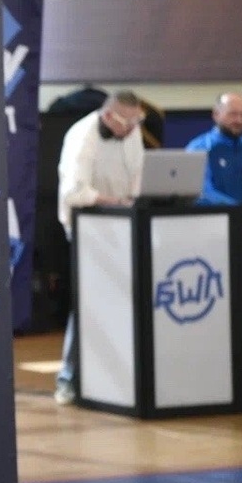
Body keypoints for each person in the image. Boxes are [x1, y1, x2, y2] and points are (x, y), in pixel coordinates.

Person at [54, 90, 146, 405]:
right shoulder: (82, 136)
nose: (133, 129)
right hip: (86, 228)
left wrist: (134, 203)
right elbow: (74, 193)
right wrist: (115, 201)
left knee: (125, 299)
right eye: (127, 122)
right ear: (108, 116)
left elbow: (138, 177)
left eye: (137, 121)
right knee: (87, 302)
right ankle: (68, 378)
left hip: (124, 224)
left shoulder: (132, 133)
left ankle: (120, 376)